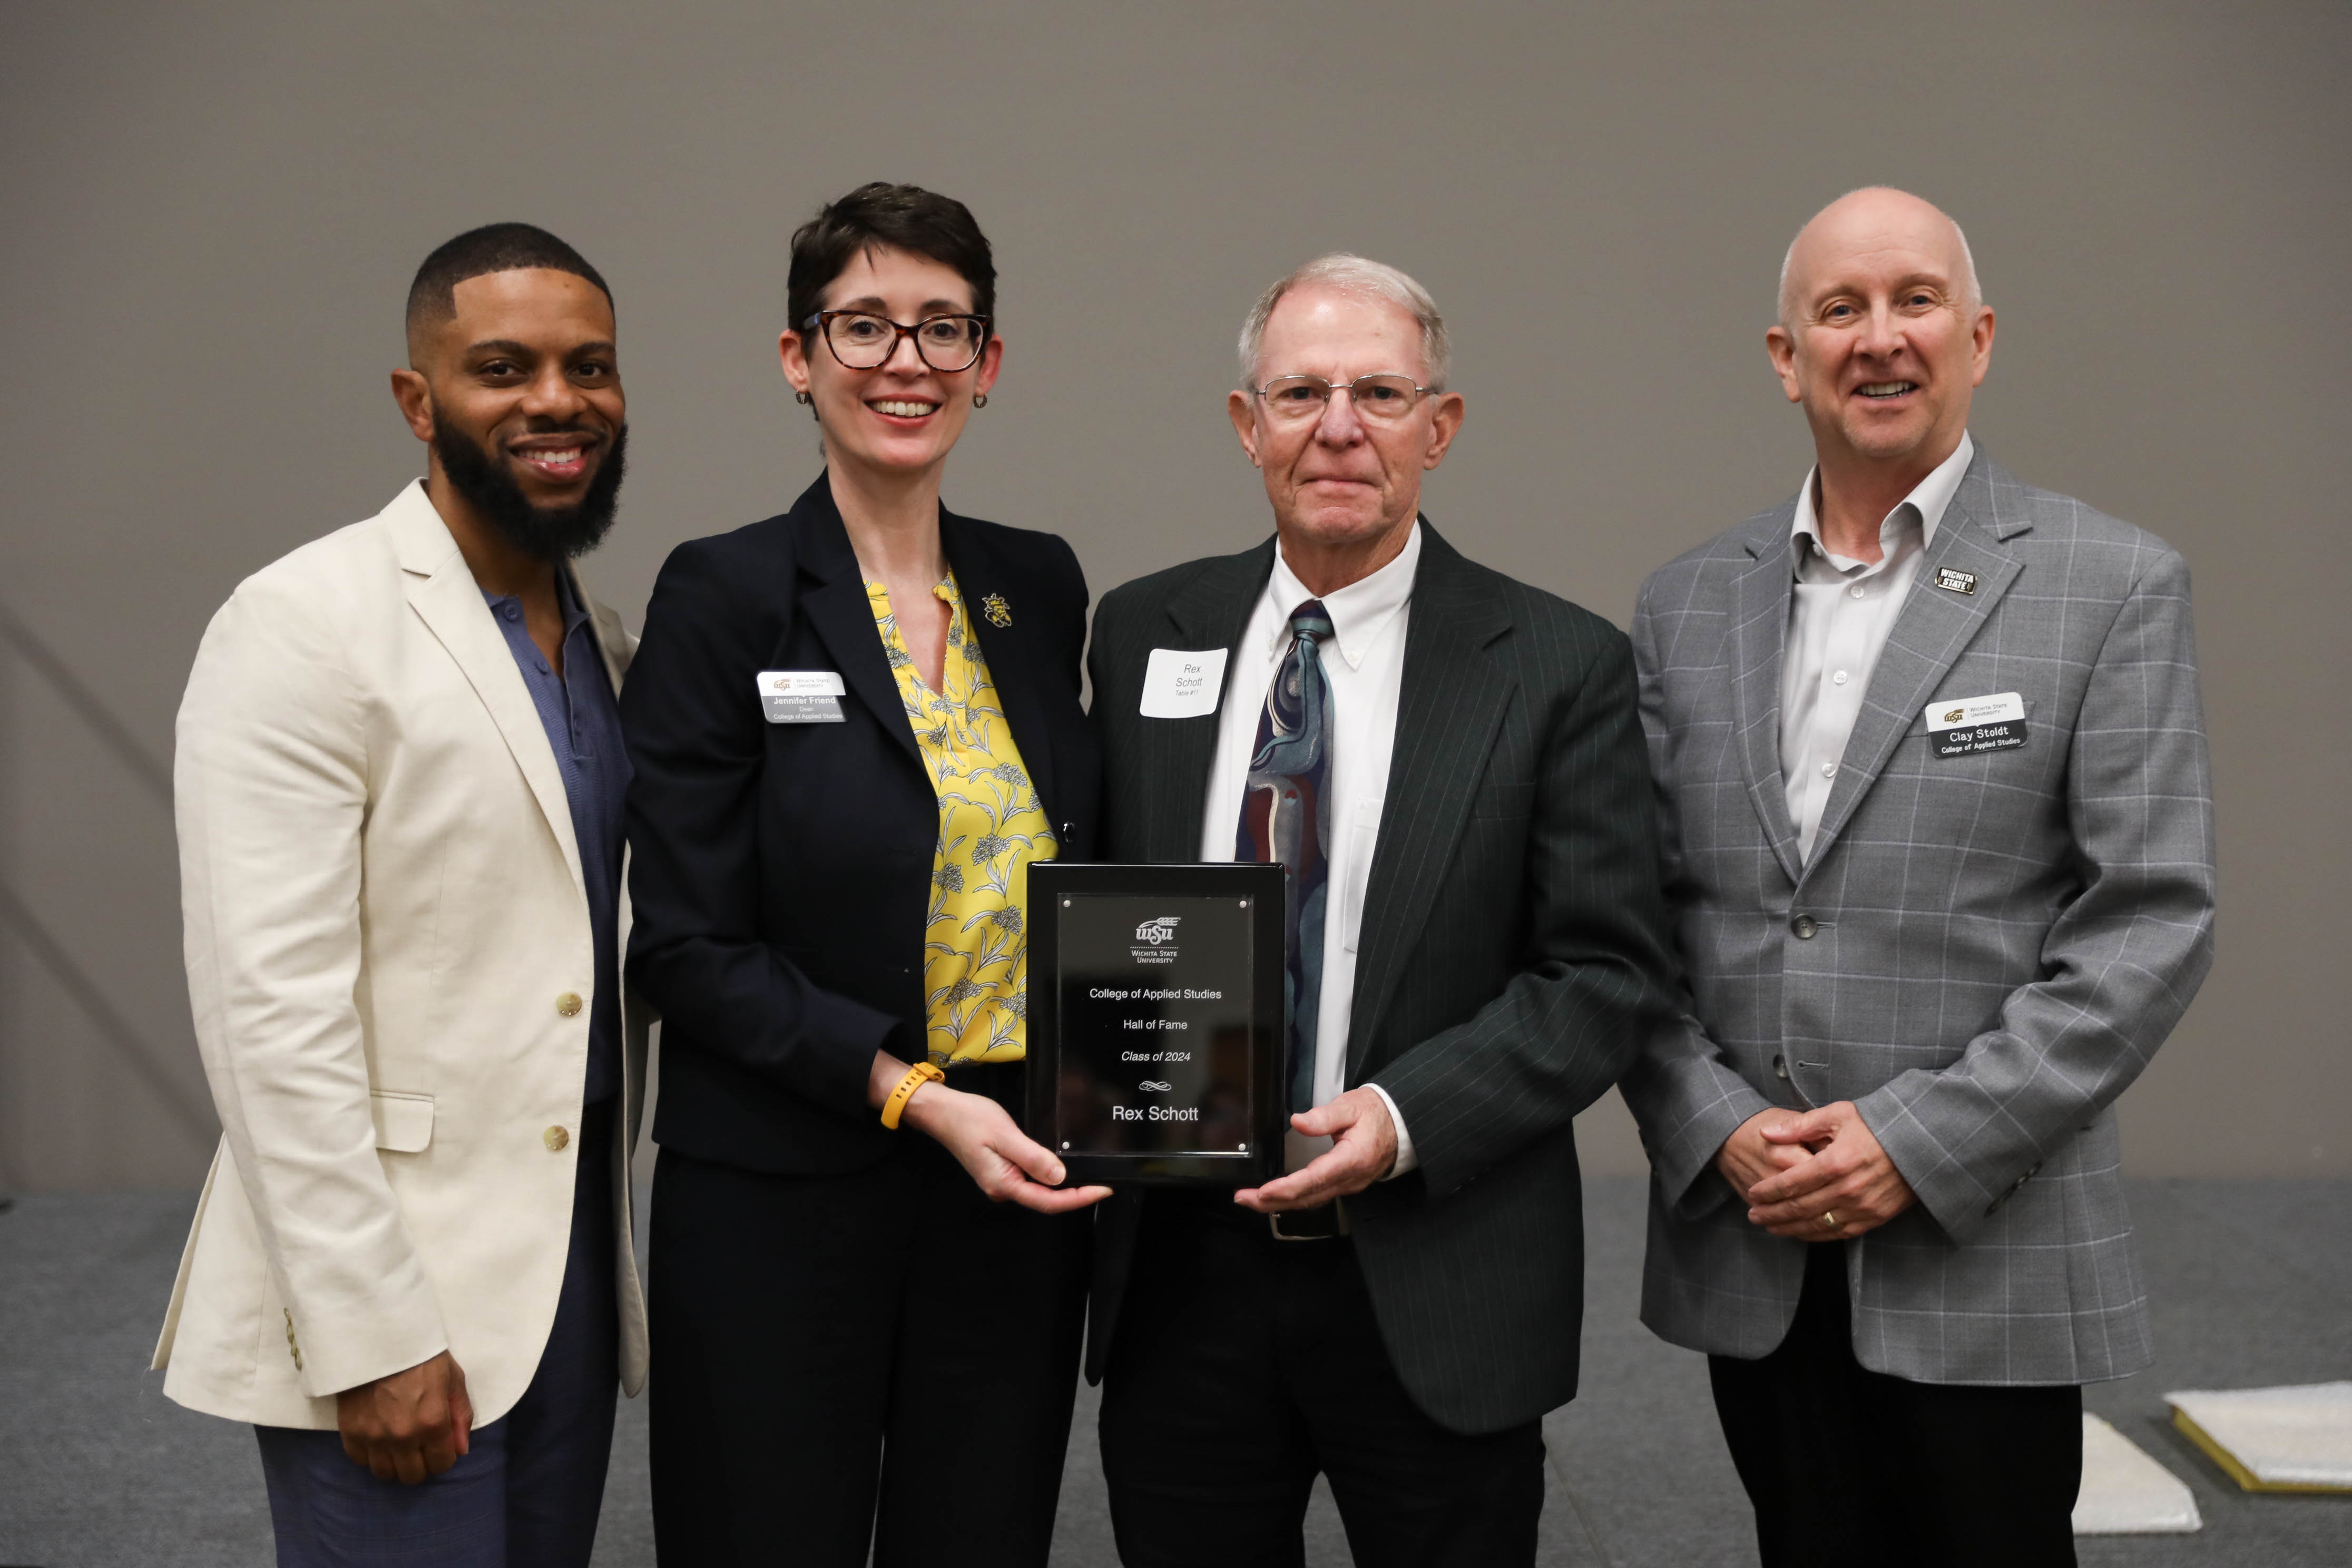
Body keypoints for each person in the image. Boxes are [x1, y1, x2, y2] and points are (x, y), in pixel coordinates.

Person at [1620, 187, 2218, 1568]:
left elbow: (2148, 924)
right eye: (1840, 310)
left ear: (1981, 337)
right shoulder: (1685, 603)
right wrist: (1712, 1121)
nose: (1879, 339)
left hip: (1981, 1243)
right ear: (1785, 356)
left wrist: (1913, 1142)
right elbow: (1629, 925)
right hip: (1756, 1232)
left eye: (1915, 301)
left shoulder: (2107, 583)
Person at [1082, 254, 1678, 1567]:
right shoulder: (1141, 633)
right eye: (1300, 392)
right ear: (1249, 428)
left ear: (1438, 428)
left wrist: (1408, 1119)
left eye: (1378, 392)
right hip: (1185, 1280)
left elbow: (1606, 975)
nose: (1339, 425)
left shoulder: (1556, 667)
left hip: (1435, 1266)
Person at [619, 182, 1108, 1567]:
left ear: (988, 366)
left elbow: (1080, 868)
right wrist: (911, 1094)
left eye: (944, 328)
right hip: (786, 1190)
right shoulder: (723, 593)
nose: (907, 362)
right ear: (799, 356)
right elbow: (686, 947)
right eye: (867, 326)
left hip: (1011, 1186)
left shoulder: (1037, 583)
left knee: (982, 1537)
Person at [153, 223, 648, 1566]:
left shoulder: (601, 640)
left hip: (563, 1281)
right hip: (389, 1299)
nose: (558, 400)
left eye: (589, 367)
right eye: (503, 366)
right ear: (417, 401)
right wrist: (371, 1334)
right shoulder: (304, 622)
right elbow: (270, 1016)